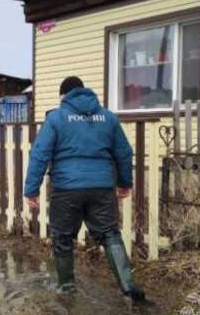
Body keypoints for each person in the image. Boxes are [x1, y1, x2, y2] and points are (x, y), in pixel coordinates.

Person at [23, 76, 145, 302]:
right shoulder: (108, 117)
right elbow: (124, 152)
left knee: (62, 237)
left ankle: (67, 288)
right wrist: (124, 184)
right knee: (109, 234)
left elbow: (40, 154)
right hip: (101, 186)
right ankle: (128, 285)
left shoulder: (56, 118)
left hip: (66, 188)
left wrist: (31, 189)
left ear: (64, 96)